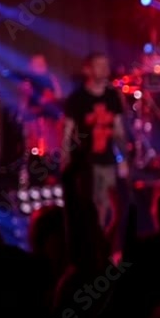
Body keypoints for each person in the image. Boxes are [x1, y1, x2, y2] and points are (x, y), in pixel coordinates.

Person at [62, 52, 128, 230]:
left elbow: (119, 130)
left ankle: (100, 243)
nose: (105, 70)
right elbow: (68, 131)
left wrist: (123, 160)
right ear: (88, 70)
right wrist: (65, 156)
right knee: (89, 203)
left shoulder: (112, 96)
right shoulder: (77, 99)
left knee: (106, 204)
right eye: (99, 65)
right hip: (85, 162)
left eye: (106, 65)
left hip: (107, 160)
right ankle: (92, 241)